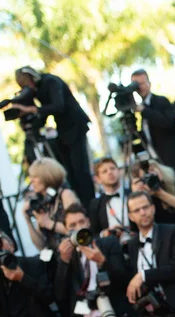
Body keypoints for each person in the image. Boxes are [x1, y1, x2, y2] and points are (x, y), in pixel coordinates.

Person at [54, 204, 141, 317]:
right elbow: (60, 294)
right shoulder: (66, 254)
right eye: (72, 225)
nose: (79, 227)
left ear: (88, 222)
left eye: (81, 222)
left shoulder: (108, 243)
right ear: (67, 230)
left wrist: (102, 261)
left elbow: (123, 279)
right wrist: (64, 261)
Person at [12, 66, 94, 208]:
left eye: (27, 83)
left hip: (75, 127)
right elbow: (45, 113)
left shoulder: (51, 81)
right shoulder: (37, 90)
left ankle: (90, 205)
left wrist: (33, 109)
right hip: (62, 132)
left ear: (32, 78)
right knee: (69, 173)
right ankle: (77, 205)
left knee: (80, 170)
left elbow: (58, 106)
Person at [132, 69, 175, 196]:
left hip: (174, 159)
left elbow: (167, 122)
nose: (140, 87)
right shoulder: (141, 109)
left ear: (149, 83)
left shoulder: (160, 101)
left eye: (142, 83)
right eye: (136, 85)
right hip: (158, 160)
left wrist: (144, 111)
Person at [22, 157, 79, 251]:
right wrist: (27, 219)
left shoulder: (65, 195)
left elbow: (77, 230)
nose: (31, 181)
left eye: (35, 177)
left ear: (47, 176)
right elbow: (40, 246)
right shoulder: (44, 202)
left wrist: (49, 224)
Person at [130, 160, 175, 228]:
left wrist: (159, 192)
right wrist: (137, 195)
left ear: (159, 168)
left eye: (152, 170)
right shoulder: (145, 196)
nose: (151, 175)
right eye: (146, 175)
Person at [89, 157, 132, 236]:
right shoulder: (95, 204)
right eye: (104, 171)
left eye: (112, 168)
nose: (110, 172)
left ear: (119, 171)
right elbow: (94, 233)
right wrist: (104, 234)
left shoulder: (132, 193)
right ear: (97, 179)